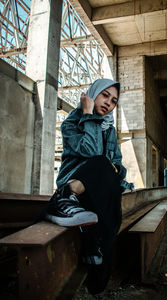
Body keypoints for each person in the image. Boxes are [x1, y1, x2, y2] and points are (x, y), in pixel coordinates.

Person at [44, 78, 134, 294]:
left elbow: (119, 166)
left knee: (112, 227)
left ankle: (96, 282)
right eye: (104, 95)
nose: (108, 103)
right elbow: (92, 152)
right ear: (93, 93)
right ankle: (64, 197)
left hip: (100, 190)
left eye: (113, 101)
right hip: (76, 183)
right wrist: (88, 115)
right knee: (101, 163)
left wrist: (116, 172)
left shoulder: (109, 129)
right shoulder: (71, 123)